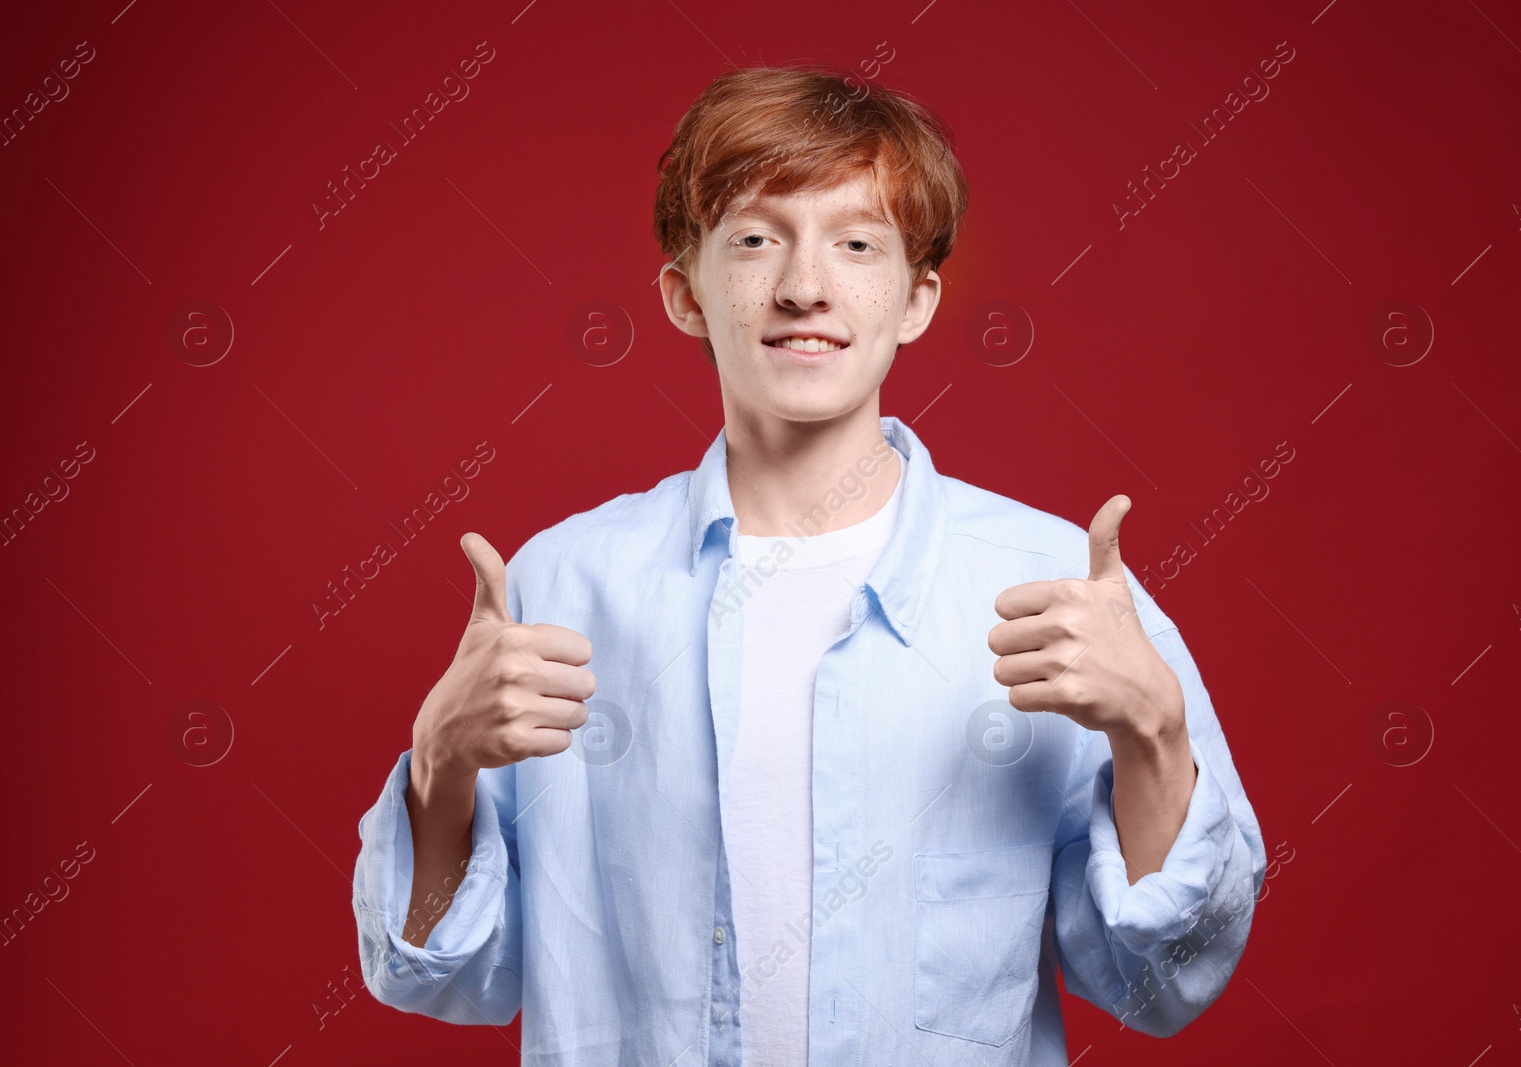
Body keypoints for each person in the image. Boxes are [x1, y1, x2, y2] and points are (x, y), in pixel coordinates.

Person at [352, 64, 1266, 1066]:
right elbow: (443, 971)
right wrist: (438, 766)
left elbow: (1162, 980)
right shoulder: (564, 585)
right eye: (753, 238)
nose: (802, 285)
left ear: (917, 299)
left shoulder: (1056, 582)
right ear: (684, 293)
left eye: (858, 243)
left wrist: (1155, 730)